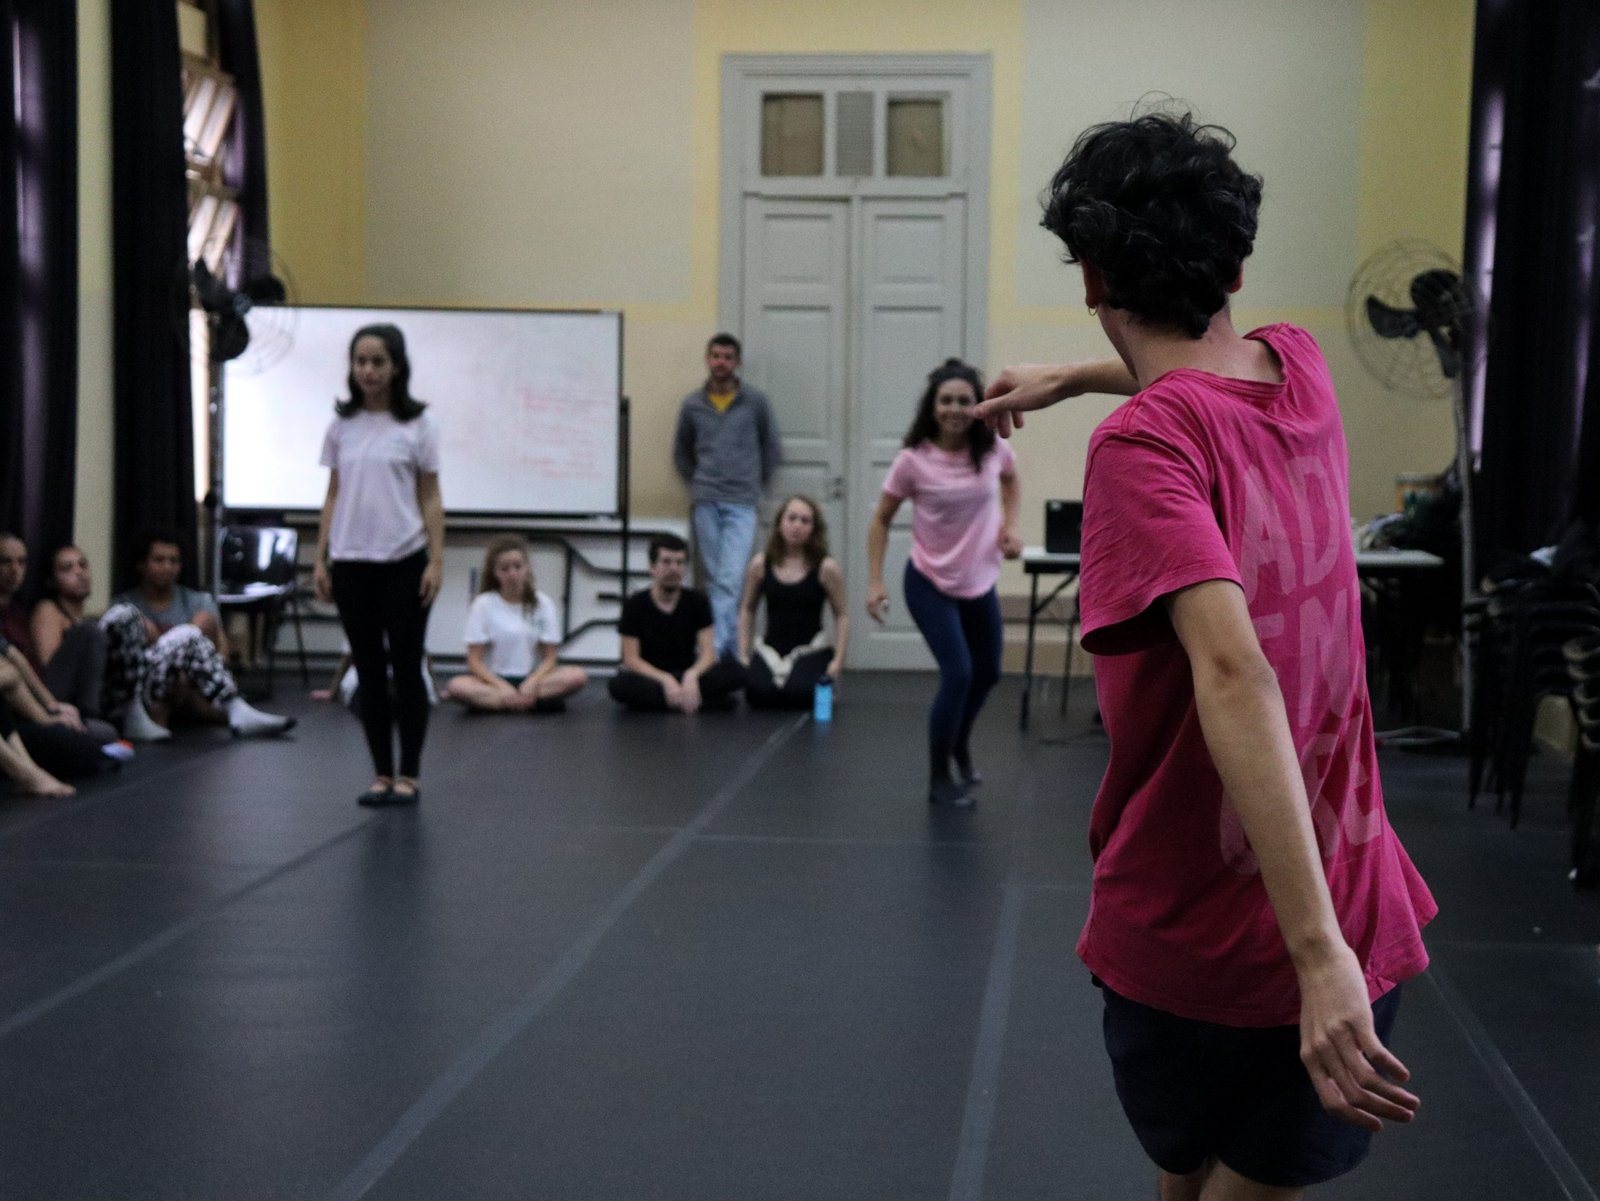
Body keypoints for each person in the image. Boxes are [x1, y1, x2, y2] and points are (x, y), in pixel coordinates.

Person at [975, 111, 1436, 1201]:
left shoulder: (1143, 446)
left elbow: (1232, 671)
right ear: (1236, 262)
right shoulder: (1304, 369)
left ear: (1090, 276)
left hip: (1221, 943)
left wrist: (1317, 958)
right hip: (1334, 912)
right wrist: (1081, 376)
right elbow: (1205, 374)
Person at [865, 359, 1021, 807]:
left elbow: (1011, 481)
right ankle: (938, 779)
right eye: (946, 400)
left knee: (987, 673)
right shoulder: (912, 461)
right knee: (958, 674)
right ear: (933, 407)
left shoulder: (992, 448)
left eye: (964, 400)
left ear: (978, 406)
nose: (955, 408)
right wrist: (875, 582)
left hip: (979, 579)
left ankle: (959, 744)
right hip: (928, 581)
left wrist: (1010, 527)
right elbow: (880, 521)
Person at [313, 323, 445, 807]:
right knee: (368, 670)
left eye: (377, 362)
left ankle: (409, 773)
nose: (367, 370)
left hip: (404, 560)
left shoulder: (417, 426)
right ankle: (380, 774)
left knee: (406, 668)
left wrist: (436, 558)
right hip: (351, 562)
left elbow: (430, 496)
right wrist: (321, 557)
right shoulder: (340, 426)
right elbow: (332, 495)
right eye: (360, 361)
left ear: (396, 368)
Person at [100, 533, 295, 741]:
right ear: (141, 565)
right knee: (132, 619)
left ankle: (234, 708)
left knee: (197, 628)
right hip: (137, 687)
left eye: (174, 561)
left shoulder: (197, 600)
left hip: (188, 682)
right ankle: (231, 710)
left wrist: (181, 671)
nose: (168, 567)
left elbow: (221, 652)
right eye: (159, 560)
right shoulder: (125, 603)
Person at [672, 333, 782, 659]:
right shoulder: (692, 405)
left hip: (742, 502)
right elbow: (681, 451)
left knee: (730, 579)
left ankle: (715, 652)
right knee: (718, 580)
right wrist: (698, 482)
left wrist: (754, 482)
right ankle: (733, 650)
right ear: (707, 359)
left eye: (728, 357)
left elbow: (771, 447)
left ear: (737, 362)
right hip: (706, 500)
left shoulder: (755, 402)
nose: (721, 363)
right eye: (716, 356)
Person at [444, 537, 588, 712]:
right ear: (495, 573)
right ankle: (530, 703)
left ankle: (505, 703)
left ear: (527, 568)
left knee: (577, 676)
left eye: (518, 567)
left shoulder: (543, 603)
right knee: (457, 686)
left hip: (533, 679)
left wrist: (532, 682)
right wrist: (502, 686)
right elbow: (473, 661)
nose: (512, 574)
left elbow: (550, 657)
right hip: (494, 681)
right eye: (505, 569)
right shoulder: (483, 604)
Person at [608, 533, 743, 713]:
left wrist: (692, 675)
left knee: (737, 671)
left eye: (679, 562)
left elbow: (709, 653)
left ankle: (672, 700)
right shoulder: (635, 604)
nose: (674, 568)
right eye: (666, 562)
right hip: (652, 677)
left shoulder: (697, 601)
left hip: (686, 672)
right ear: (652, 567)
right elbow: (631, 659)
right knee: (619, 685)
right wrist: (665, 680)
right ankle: (700, 701)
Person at [736, 496, 849, 709]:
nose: (797, 526)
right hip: (771, 650)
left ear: (814, 529)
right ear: (780, 523)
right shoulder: (761, 564)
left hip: (810, 649)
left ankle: (817, 679)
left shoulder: (826, 568)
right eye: (792, 518)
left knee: (800, 693)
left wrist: (838, 662)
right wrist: (743, 653)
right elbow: (747, 608)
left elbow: (842, 615)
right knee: (758, 693)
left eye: (805, 521)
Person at [8, 539, 110, 721]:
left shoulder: (89, 618)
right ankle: (90, 717)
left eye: (83, 565)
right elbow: (48, 667)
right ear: (51, 580)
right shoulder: (48, 609)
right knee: (89, 632)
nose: (79, 573)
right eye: (67, 568)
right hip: (50, 694)